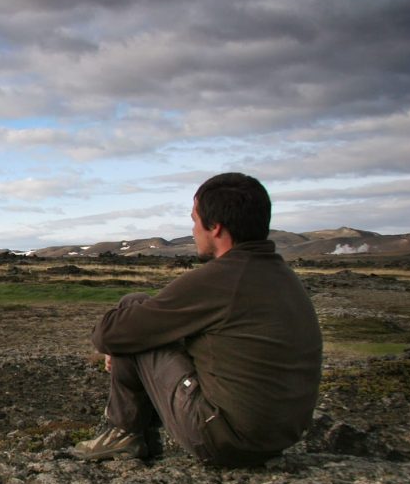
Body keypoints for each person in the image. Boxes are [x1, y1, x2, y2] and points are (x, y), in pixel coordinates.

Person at [73, 172, 322, 467]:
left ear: (215, 227)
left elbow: (108, 334)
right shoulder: (281, 276)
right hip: (278, 436)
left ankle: (124, 434)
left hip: (222, 437)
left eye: (194, 220)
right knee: (137, 320)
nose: (193, 230)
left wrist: (121, 347)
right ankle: (133, 436)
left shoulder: (221, 279)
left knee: (131, 308)